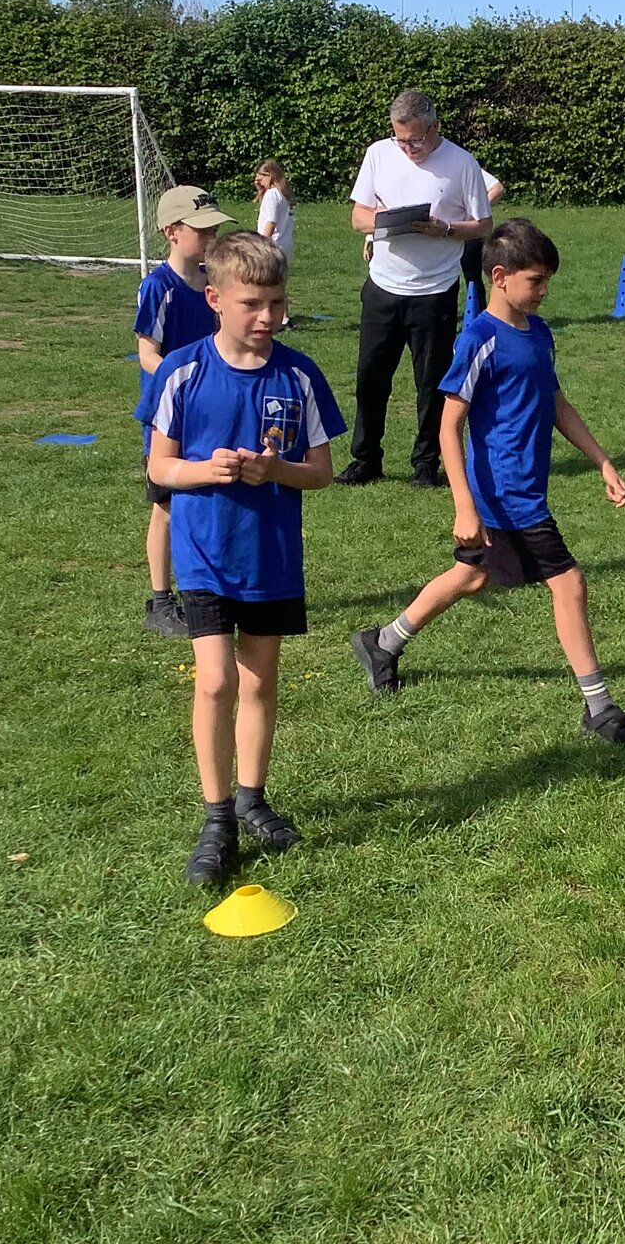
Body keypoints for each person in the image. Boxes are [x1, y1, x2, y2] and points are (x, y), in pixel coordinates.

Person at [349, 219, 625, 748]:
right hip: (503, 492)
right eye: (535, 281)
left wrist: (603, 461)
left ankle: (383, 641)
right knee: (570, 583)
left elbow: (556, 402)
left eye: (546, 282)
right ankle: (600, 708)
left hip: (525, 489)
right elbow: (448, 426)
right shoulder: (479, 339)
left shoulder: (538, 334)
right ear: (500, 276)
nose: (543, 292)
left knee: (471, 577)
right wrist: (463, 505)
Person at [144, 231, 346, 884]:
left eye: (278, 303)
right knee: (216, 681)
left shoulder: (298, 374)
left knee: (259, 680)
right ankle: (217, 819)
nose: (268, 318)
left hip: (272, 557)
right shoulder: (183, 371)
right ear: (215, 300)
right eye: (253, 304)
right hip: (204, 554)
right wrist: (208, 471)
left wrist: (273, 470)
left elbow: (321, 473)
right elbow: (160, 468)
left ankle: (253, 799)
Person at [340, 90, 493, 489]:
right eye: (400, 139)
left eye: (416, 140)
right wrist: (387, 221)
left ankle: (426, 464)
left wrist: (444, 229)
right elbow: (358, 216)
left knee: (431, 382)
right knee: (371, 378)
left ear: (435, 126)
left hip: (435, 291)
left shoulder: (462, 164)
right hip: (383, 287)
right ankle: (365, 459)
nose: (408, 148)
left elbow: (483, 224)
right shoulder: (378, 154)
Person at [134, 185, 228, 637]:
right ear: (172, 232)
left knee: (204, 498)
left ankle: (207, 591)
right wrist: (183, 382)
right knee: (167, 507)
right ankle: (159, 601)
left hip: (205, 408)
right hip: (167, 414)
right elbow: (147, 353)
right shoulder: (159, 287)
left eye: (214, 228)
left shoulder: (212, 283)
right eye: (201, 229)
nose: (211, 236)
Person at [253, 159, 295, 329]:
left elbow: (270, 222)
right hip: (285, 243)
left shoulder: (272, 195)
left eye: (260, 178)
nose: (258, 182)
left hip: (272, 243)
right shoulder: (282, 194)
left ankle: (278, 317)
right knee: (279, 281)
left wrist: (261, 243)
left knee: (269, 283)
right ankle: (285, 318)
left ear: (269, 176)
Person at [460, 168, 506, 309]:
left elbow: (497, 188)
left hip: (468, 233)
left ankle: (480, 314)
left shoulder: (463, 165)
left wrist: (476, 212)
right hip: (438, 236)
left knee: (472, 278)